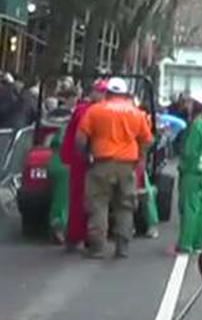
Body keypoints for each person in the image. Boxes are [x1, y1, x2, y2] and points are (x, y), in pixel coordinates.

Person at [76, 77, 153, 259]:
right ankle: (122, 246)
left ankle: (97, 248)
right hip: (127, 166)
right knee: (125, 206)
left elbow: (80, 138)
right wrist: (140, 158)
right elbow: (147, 140)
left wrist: (85, 155)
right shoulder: (136, 113)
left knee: (98, 205)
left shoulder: (95, 110)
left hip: (101, 164)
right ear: (125, 94)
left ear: (108, 93)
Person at [59, 80, 107, 251]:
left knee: (89, 200)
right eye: (100, 92)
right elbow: (80, 137)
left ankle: (83, 236)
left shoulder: (86, 110)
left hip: (86, 159)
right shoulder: (87, 111)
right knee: (84, 199)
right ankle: (79, 236)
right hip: (85, 160)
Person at [177, 91, 202, 254]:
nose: (189, 105)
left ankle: (186, 242)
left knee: (190, 206)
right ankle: (200, 241)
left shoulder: (197, 125)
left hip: (194, 169)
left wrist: (183, 166)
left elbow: (189, 151)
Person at [47, 85, 81, 245]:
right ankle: (62, 226)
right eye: (73, 97)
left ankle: (61, 224)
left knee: (63, 194)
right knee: (66, 193)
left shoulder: (62, 116)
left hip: (57, 158)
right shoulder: (67, 117)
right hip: (66, 160)